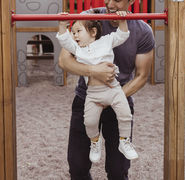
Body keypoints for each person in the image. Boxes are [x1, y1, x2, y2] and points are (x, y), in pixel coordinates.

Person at [59, 0, 155, 180]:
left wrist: (111, 97)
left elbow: (141, 76)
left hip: (119, 99)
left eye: (118, 0)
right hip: (86, 98)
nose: (110, 5)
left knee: (118, 170)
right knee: (77, 166)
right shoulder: (86, 20)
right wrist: (94, 72)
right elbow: (64, 60)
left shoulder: (142, 31)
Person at [56, 11, 138, 164]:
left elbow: (122, 35)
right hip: (93, 94)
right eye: (73, 33)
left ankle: (125, 142)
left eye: (78, 31)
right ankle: (95, 141)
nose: (75, 36)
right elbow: (65, 41)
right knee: (89, 122)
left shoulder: (106, 41)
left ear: (93, 32)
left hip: (113, 89)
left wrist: (122, 19)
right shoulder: (77, 48)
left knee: (125, 115)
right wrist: (62, 25)